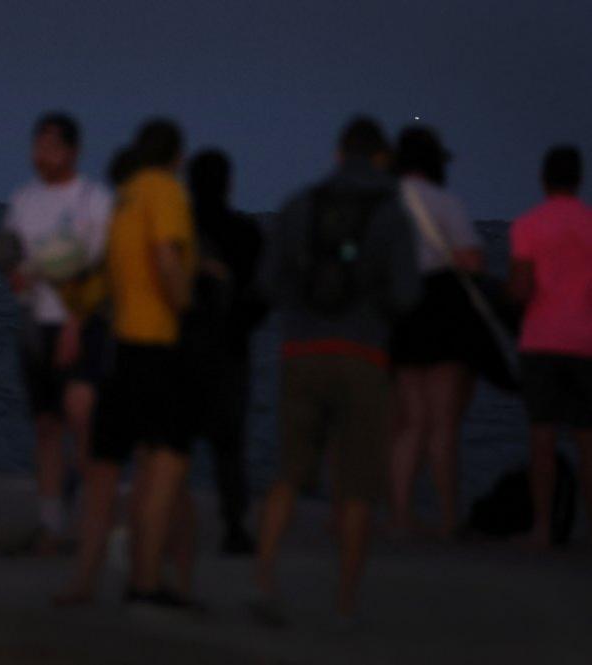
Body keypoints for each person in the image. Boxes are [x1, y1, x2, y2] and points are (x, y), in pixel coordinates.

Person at [255, 117, 420, 621]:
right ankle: (346, 600)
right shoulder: (394, 213)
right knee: (356, 489)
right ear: (381, 158)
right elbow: (408, 295)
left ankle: (264, 578)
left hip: (302, 353)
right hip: (364, 356)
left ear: (336, 152)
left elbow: (266, 283)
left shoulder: (299, 205)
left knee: (288, 473)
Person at [57, 119, 198, 608]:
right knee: (163, 467)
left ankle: (82, 582)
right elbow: (165, 254)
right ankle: (145, 580)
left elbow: (88, 284)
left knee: (103, 473)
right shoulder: (163, 191)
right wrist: (188, 305)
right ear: (177, 156)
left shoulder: (121, 200)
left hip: (115, 353)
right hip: (156, 347)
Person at [0, 113, 113, 553]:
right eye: (36, 145)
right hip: (36, 323)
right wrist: (17, 274)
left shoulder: (92, 199)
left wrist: (76, 323)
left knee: (82, 419)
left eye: (49, 146)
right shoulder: (23, 200)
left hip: (82, 324)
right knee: (46, 425)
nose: (39, 155)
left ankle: (92, 520)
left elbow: (100, 269)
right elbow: (14, 256)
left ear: (71, 151)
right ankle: (52, 522)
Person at [388, 126, 485, 538]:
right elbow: (472, 262)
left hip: (401, 313)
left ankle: (400, 515)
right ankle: (448, 517)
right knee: (444, 423)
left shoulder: (385, 204)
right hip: (442, 312)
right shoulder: (446, 203)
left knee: (411, 422)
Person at [183, 149, 266, 555]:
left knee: (174, 442)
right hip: (230, 349)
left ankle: (169, 518)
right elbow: (264, 293)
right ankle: (234, 525)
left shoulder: (179, 229)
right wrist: (242, 327)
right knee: (230, 444)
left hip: (180, 348)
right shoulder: (246, 232)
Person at [509, 146, 592, 549]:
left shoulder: (527, 225)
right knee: (587, 440)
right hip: (585, 342)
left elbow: (522, 289)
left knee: (542, 438)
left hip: (541, 340)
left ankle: (541, 529)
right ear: (579, 180)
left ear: (543, 180)